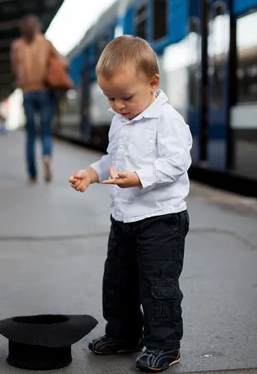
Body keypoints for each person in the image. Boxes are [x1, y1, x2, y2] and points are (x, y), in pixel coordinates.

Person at [68, 35, 192, 372]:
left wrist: (139, 177)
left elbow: (176, 162)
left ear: (153, 83)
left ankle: (164, 345)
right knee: (118, 281)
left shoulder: (167, 121)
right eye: (110, 98)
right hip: (123, 218)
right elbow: (112, 157)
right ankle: (123, 334)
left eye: (126, 97)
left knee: (158, 285)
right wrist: (92, 174)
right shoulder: (120, 121)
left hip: (161, 219)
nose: (119, 106)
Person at [11, 14, 66, 184]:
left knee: (30, 135)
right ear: (38, 27)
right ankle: (47, 156)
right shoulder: (45, 43)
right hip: (44, 91)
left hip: (27, 92)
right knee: (45, 131)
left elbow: (14, 69)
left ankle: (32, 175)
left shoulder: (16, 46)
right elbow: (62, 62)